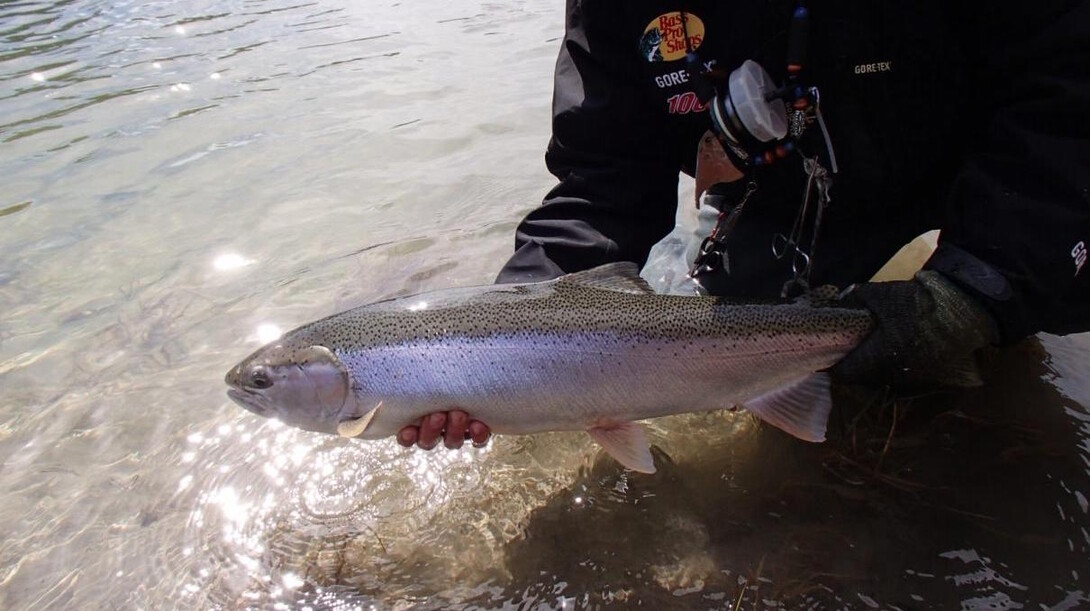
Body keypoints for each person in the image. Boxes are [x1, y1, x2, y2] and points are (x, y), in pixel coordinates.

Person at [399, 1, 1090, 451]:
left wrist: (977, 287)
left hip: (973, 159)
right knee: (768, 369)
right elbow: (600, 184)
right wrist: (501, 328)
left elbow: (1064, 100)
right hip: (780, 195)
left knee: (998, 356)